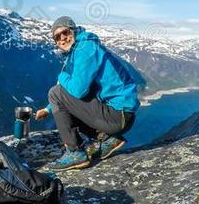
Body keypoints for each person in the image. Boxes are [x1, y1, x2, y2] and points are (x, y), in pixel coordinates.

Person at [35, 16, 139, 171]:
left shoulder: (85, 49)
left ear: (74, 30)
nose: (62, 38)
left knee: (54, 92)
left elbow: (77, 91)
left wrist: (61, 77)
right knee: (60, 94)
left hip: (118, 114)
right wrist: (48, 109)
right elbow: (76, 93)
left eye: (65, 32)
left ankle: (75, 152)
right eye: (57, 37)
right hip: (120, 113)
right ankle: (107, 139)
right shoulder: (81, 48)